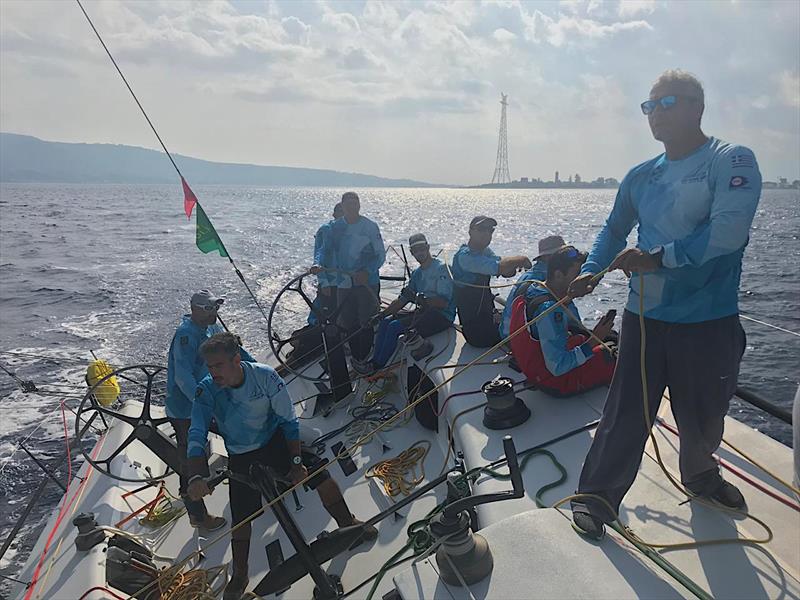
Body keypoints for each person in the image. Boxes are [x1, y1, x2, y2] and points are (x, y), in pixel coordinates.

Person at [568, 69, 762, 540]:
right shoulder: (640, 176)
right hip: (645, 318)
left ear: (697, 107)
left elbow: (728, 232)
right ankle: (596, 495)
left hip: (708, 321)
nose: (654, 113)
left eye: (666, 102)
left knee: (704, 412)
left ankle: (700, 476)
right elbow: (613, 231)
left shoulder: (730, 159)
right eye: (649, 105)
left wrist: (657, 259)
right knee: (626, 409)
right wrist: (591, 270)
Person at [186, 333, 378, 599]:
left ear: (236, 360)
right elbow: (196, 432)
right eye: (209, 366)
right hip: (241, 455)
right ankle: (240, 574)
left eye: (217, 365)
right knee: (242, 518)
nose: (212, 372)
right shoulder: (205, 390)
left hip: (275, 441)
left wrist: (297, 463)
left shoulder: (265, 377)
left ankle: (347, 524)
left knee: (321, 477)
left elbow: (289, 422)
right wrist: (197, 474)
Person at [165, 290, 254, 531]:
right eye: (209, 309)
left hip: (211, 398)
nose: (215, 313)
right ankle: (198, 516)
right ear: (195, 310)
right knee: (191, 460)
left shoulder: (212, 329)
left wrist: (258, 371)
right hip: (186, 409)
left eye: (215, 308)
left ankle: (253, 479)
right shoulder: (186, 335)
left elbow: (233, 352)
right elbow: (182, 377)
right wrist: (202, 402)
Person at [508, 245, 617, 396]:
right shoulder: (550, 310)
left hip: (534, 369)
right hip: (554, 381)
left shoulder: (532, 288)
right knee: (614, 355)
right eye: (577, 273)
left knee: (608, 336)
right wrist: (595, 340)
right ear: (558, 275)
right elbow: (558, 367)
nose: (582, 278)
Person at [370, 233, 455, 369]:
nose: (420, 252)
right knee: (386, 322)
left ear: (428, 247)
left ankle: (377, 367)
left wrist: (419, 299)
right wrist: (381, 315)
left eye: (422, 248)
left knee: (394, 327)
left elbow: (443, 303)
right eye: (416, 250)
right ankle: (373, 361)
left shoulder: (442, 268)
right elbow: (402, 300)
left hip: (442, 316)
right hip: (424, 313)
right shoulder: (417, 274)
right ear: (412, 252)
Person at [451, 215, 531, 347]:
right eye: (482, 229)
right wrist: (521, 260)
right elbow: (499, 266)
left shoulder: (484, 252)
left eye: (490, 230)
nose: (487, 233)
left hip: (487, 318)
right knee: (525, 332)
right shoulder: (465, 257)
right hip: (477, 333)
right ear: (470, 231)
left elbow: (503, 268)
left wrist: (509, 268)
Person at [328, 191, 386, 373]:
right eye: (348, 204)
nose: (352, 207)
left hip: (366, 283)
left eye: (355, 203)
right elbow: (325, 251)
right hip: (344, 284)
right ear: (343, 206)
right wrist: (317, 265)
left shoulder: (370, 227)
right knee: (348, 322)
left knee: (366, 322)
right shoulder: (335, 228)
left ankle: (364, 358)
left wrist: (367, 271)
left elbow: (381, 255)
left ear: (359, 206)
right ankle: (355, 358)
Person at [499, 235, 566, 340]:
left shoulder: (534, 273)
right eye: (563, 255)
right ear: (548, 257)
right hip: (518, 340)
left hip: (507, 333)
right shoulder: (544, 280)